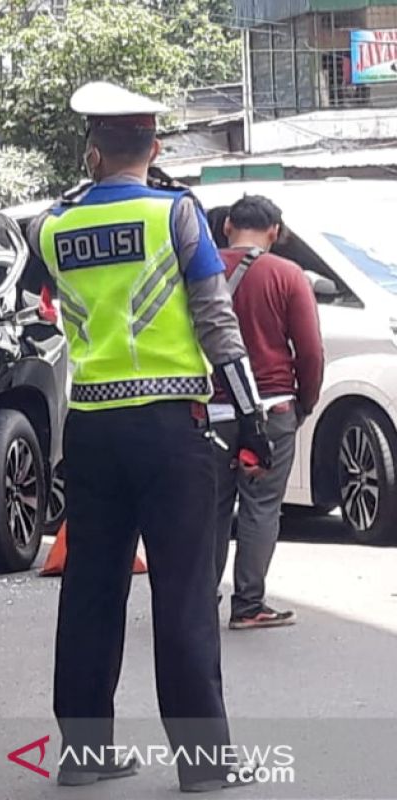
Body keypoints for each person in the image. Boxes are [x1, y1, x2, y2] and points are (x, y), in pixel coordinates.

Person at [26, 82, 274, 792]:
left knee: (91, 590)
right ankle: (204, 763)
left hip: (93, 429)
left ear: (94, 149)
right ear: (156, 147)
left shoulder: (51, 225)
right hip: (173, 427)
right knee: (185, 591)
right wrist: (251, 417)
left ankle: (83, 754)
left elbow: (42, 299)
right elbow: (215, 321)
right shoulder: (178, 214)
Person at [212, 195, 325, 629]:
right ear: (275, 231)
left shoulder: (200, 272)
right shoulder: (287, 274)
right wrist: (305, 401)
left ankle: (199, 604)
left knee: (212, 508)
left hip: (214, 408)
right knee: (260, 507)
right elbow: (310, 350)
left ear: (227, 227)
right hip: (271, 407)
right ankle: (248, 605)